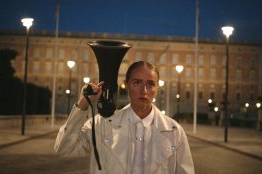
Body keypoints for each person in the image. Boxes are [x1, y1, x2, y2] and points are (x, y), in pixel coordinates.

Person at [54, 61, 195, 174]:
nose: (144, 91)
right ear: (126, 85)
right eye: (137, 83)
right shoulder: (101, 124)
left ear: (157, 88)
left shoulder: (175, 131)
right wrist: (82, 105)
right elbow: (64, 149)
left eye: (150, 84)